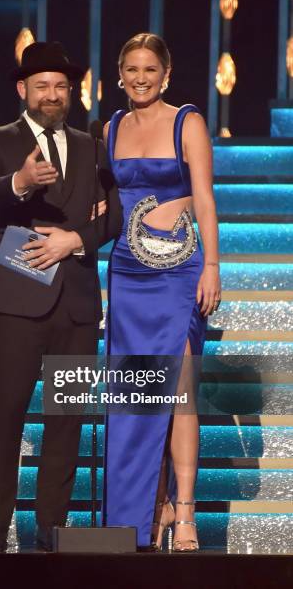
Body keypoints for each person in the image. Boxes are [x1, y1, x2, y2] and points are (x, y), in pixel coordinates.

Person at [0, 41, 122, 552]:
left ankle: (51, 530)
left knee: (67, 418)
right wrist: (21, 180)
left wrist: (76, 239)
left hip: (76, 302)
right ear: (23, 90)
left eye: (61, 86)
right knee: (7, 411)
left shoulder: (92, 144)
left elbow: (116, 215)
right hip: (17, 297)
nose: (53, 95)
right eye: (42, 86)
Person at [101, 33, 221, 552]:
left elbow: (206, 198)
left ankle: (186, 512)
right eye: (132, 68)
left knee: (180, 390)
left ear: (166, 74)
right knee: (137, 393)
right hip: (127, 270)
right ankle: (144, 513)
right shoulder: (109, 129)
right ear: (120, 74)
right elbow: (106, 200)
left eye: (150, 69)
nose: (141, 77)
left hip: (178, 269)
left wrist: (212, 266)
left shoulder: (187, 121)